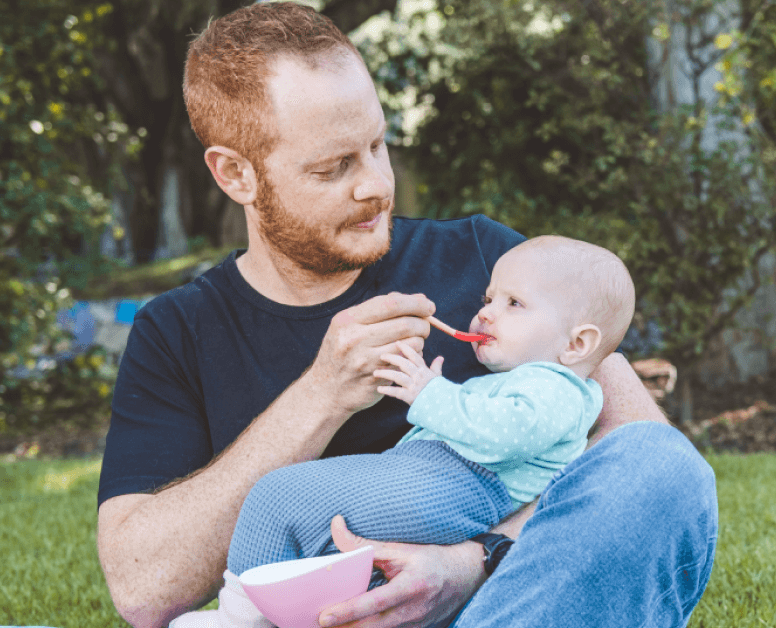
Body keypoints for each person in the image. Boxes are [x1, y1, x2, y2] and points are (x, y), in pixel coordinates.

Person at [94, 3, 718, 628]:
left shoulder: (488, 262)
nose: (375, 185)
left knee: (663, 469)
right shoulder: (179, 332)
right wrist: (322, 394)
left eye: (377, 145)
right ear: (236, 175)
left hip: (506, 604)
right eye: (334, 166)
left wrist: (474, 560)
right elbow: (143, 588)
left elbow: (635, 450)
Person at [170, 236, 636, 628]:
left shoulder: (557, 388)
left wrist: (429, 392)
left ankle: (238, 618)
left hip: (468, 487)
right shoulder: (524, 381)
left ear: (578, 344)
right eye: (487, 300)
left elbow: (505, 436)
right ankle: (265, 612)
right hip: (447, 483)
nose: (487, 313)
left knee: (280, 496)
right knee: (310, 523)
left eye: (514, 304)